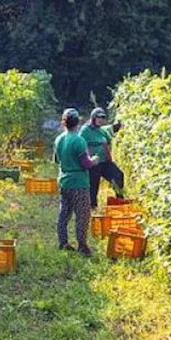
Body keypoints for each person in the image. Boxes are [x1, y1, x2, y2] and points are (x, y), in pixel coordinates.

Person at [53, 108, 101, 255]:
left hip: (64, 180)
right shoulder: (79, 140)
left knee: (64, 214)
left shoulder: (59, 139)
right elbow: (86, 164)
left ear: (64, 122)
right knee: (83, 214)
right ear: (78, 122)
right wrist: (95, 160)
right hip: (79, 183)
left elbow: (56, 160)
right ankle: (82, 246)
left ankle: (63, 242)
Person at [81, 107, 125, 206]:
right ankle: (92, 209)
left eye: (103, 117)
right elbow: (80, 145)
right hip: (93, 164)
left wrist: (119, 125)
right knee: (93, 188)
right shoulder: (85, 130)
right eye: (98, 117)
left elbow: (110, 129)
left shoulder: (102, 130)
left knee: (118, 176)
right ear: (93, 118)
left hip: (105, 162)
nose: (101, 119)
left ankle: (119, 200)